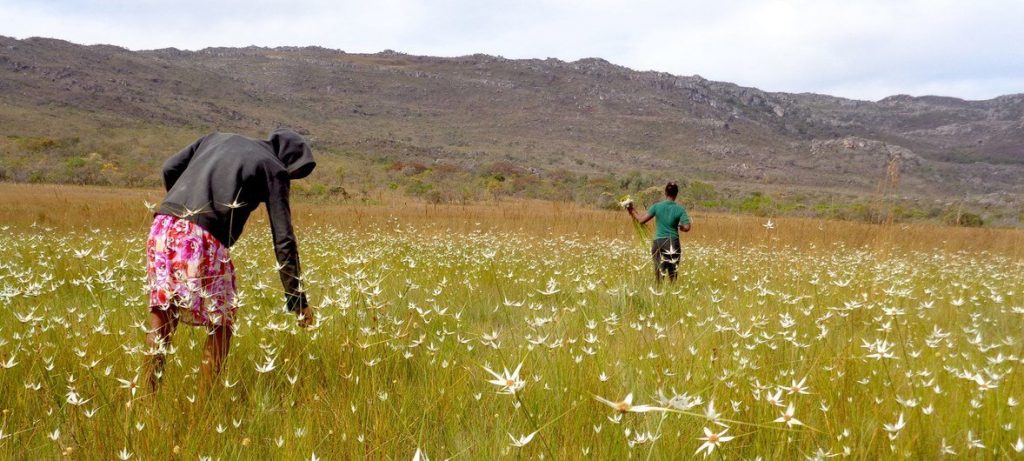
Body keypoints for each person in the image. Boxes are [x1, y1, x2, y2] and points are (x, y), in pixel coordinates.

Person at [145, 128, 316, 391]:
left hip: (163, 225)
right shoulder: (274, 167)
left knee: (164, 311)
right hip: (202, 236)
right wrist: (296, 299)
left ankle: (146, 399)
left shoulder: (217, 138)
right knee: (221, 322)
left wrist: (185, 207)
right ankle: (205, 404)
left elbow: (169, 168)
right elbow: (283, 238)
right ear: (289, 161)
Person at [626, 182, 691, 282]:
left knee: (659, 274)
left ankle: (658, 292)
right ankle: (672, 295)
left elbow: (641, 220)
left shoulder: (656, 207)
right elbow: (687, 228)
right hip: (672, 243)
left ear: (665, 193)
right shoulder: (680, 209)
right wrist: (680, 226)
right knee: (673, 275)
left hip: (658, 243)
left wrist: (631, 210)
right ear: (676, 194)